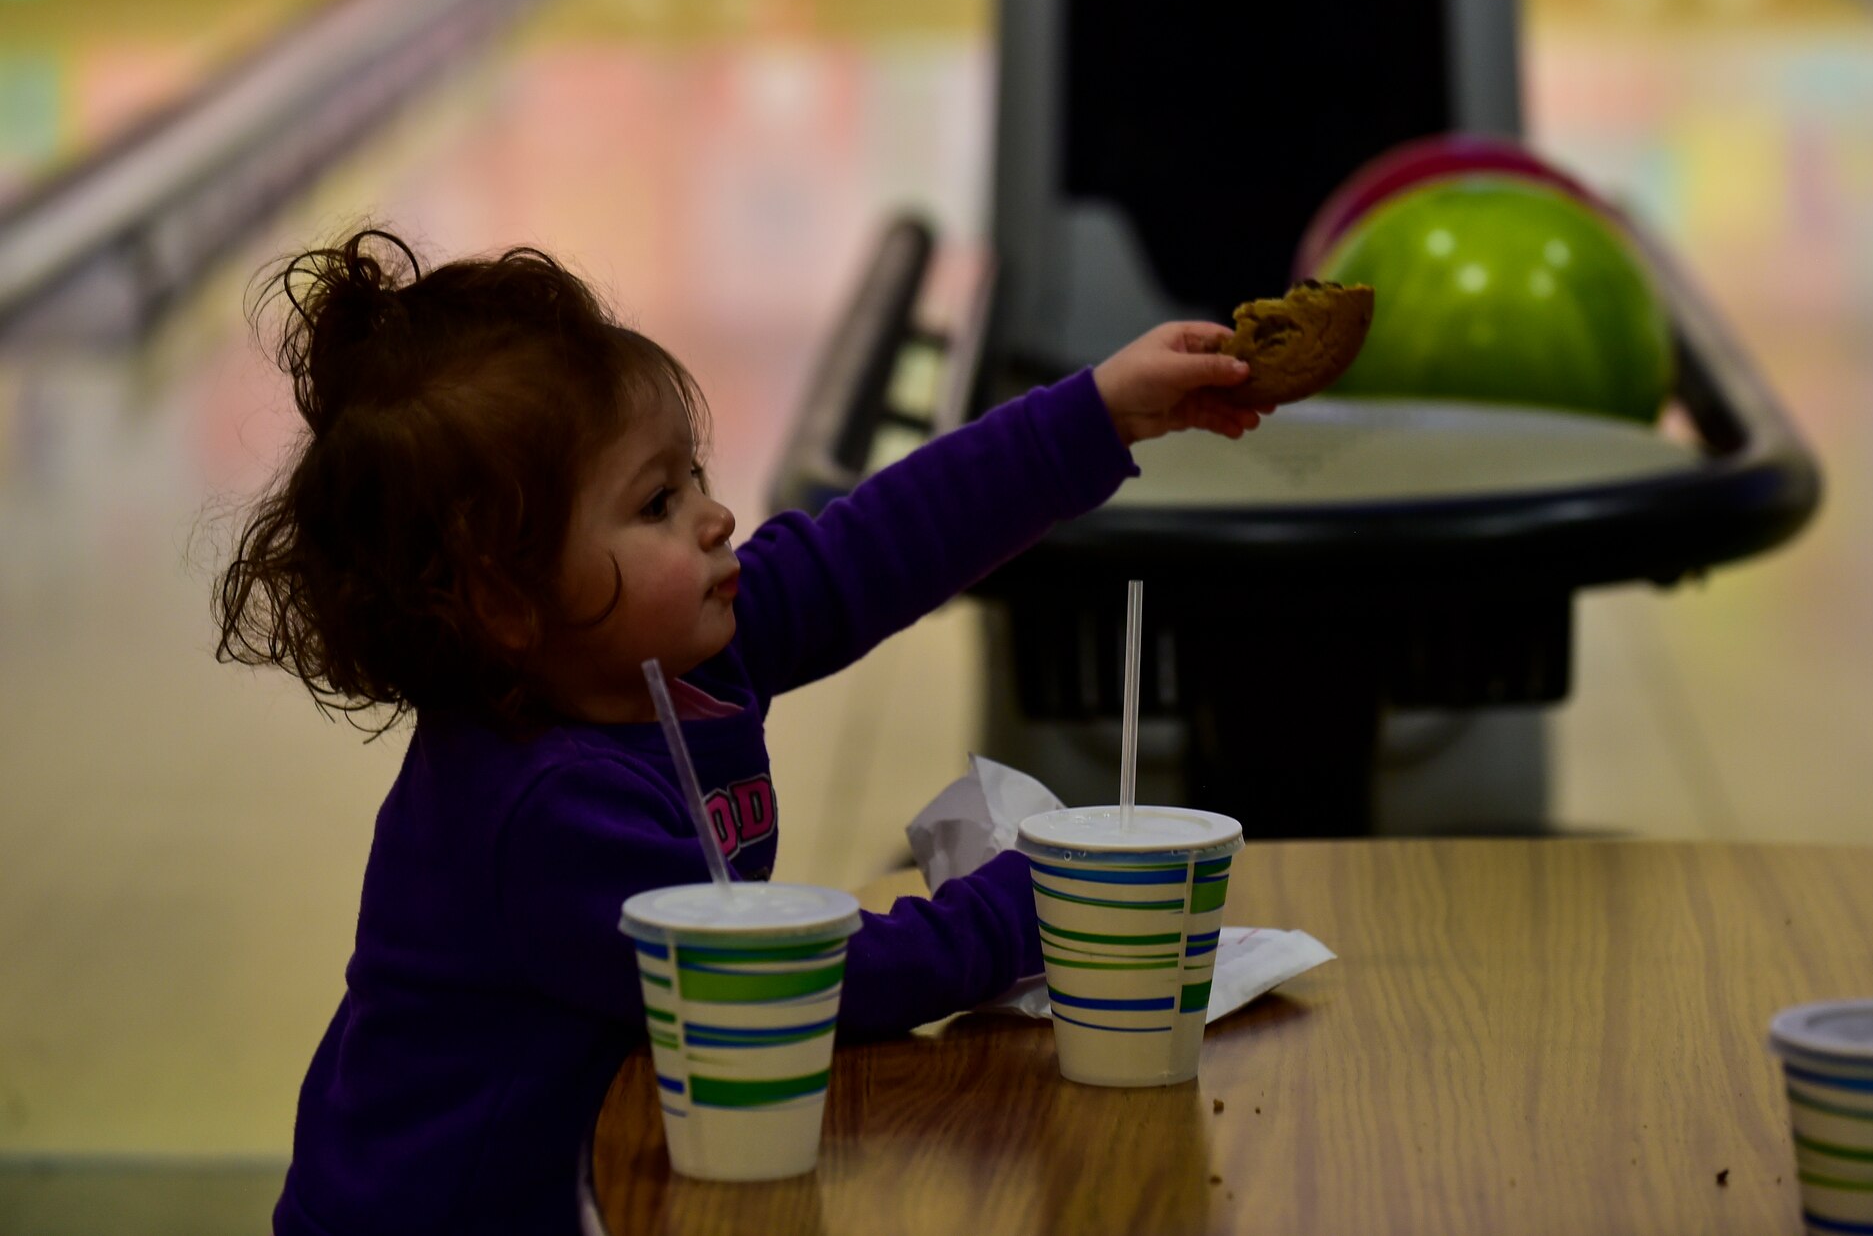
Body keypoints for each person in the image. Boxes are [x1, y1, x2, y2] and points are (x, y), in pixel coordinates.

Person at [215, 229, 1266, 1234]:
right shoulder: (541, 805)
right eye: (657, 500)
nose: (715, 518)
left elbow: (882, 543)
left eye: (696, 477)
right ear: (503, 601)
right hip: (445, 1216)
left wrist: (1097, 414)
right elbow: (782, 977)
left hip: (593, 1178)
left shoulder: (682, 649)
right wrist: (1016, 910)